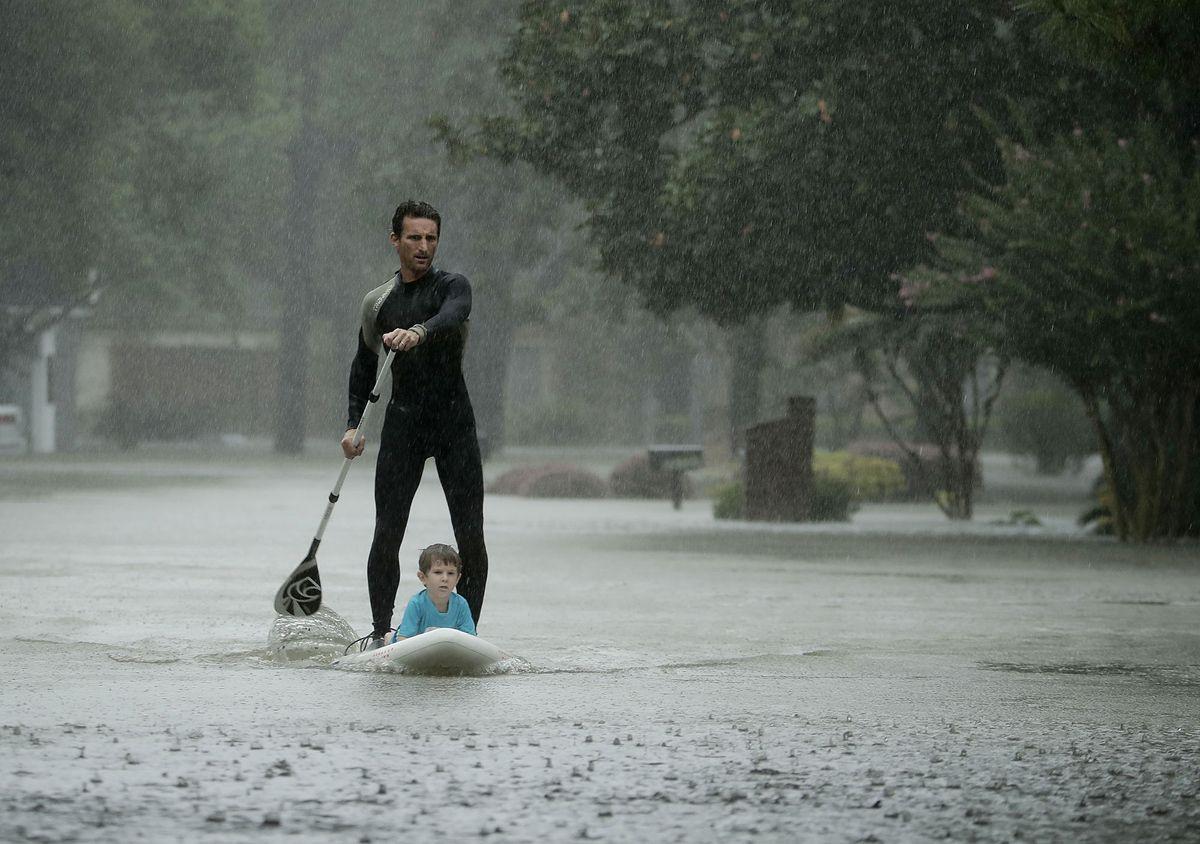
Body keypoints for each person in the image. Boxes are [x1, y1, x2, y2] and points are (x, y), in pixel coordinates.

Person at [342, 200, 488, 650]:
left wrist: (419, 331)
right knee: (387, 530)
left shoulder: (452, 287)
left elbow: (454, 313)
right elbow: (363, 367)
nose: (424, 247)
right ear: (395, 241)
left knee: (470, 533)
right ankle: (382, 632)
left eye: (431, 238)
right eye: (414, 238)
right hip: (403, 425)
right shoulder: (378, 302)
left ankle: (465, 634)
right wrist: (353, 426)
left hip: (453, 424)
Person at [391, 544, 477, 641]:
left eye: (451, 573)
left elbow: (471, 640)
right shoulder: (417, 604)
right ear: (422, 577)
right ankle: (388, 637)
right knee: (396, 636)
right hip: (416, 648)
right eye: (438, 572)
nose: (445, 578)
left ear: (457, 579)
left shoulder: (461, 605)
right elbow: (403, 639)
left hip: (446, 650)